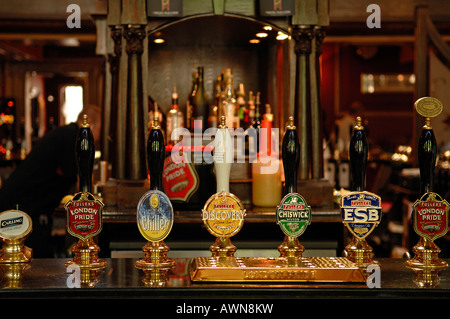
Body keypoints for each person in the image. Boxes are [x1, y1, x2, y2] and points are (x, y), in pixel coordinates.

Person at [0, 105, 101, 257]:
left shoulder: (67, 133)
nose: (100, 136)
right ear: (91, 124)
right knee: (35, 256)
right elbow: (76, 177)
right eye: (100, 129)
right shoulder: (74, 136)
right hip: (23, 205)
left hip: (24, 202)